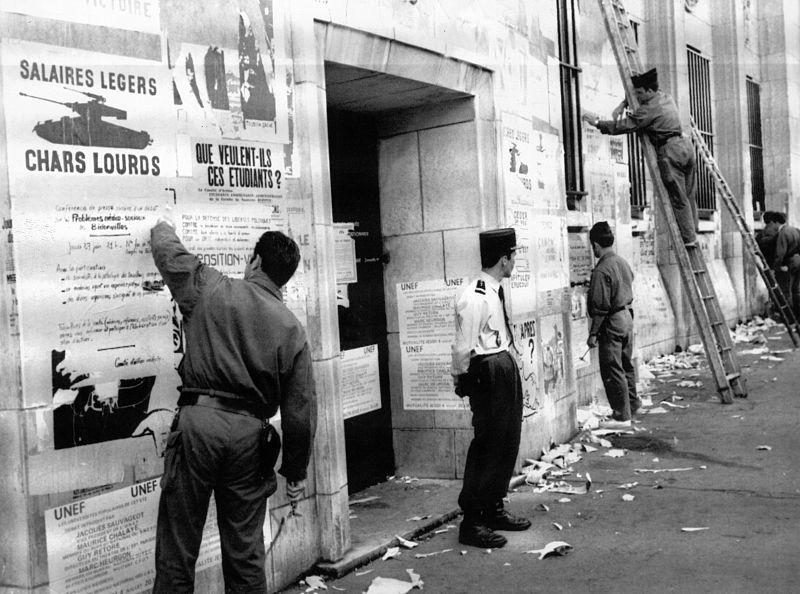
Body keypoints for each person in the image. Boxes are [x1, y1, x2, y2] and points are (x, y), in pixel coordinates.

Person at [150, 209, 316, 593]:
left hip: (198, 428)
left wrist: (162, 224)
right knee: (245, 556)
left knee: (177, 551)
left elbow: (170, 255)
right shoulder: (293, 329)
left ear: (254, 261)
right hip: (250, 442)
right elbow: (300, 411)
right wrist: (295, 472)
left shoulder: (212, 287)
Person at [451, 228, 530, 549]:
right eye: (513, 256)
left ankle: (493, 507)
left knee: (508, 441)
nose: (515, 262)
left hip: (502, 365)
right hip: (487, 371)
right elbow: (462, 349)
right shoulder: (475, 296)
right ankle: (472, 521)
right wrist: (461, 380)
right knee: (488, 445)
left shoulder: (494, 289)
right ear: (503, 259)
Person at [583, 68, 699, 247]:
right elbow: (638, 96)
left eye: (639, 94)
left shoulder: (648, 110)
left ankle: (689, 239)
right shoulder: (664, 96)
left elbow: (624, 126)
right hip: (686, 147)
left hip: (670, 151)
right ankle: (693, 231)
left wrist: (597, 123)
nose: (637, 97)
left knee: (678, 197)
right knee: (689, 195)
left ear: (649, 91)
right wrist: (623, 103)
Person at [586, 222, 640, 429]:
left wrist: (593, 334)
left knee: (612, 369)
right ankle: (633, 405)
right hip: (627, 317)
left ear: (596, 245)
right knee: (626, 364)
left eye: (593, 246)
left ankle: (621, 416)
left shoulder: (601, 269)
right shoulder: (621, 262)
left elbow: (600, 306)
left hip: (612, 322)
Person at [769, 211, 800, 321]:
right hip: (798, 261)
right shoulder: (795, 230)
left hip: (789, 264)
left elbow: (780, 253)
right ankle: (798, 316)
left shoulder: (783, 233)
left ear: (776, 222)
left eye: (773, 223)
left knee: (787, 291)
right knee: (797, 290)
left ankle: (790, 317)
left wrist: (776, 267)